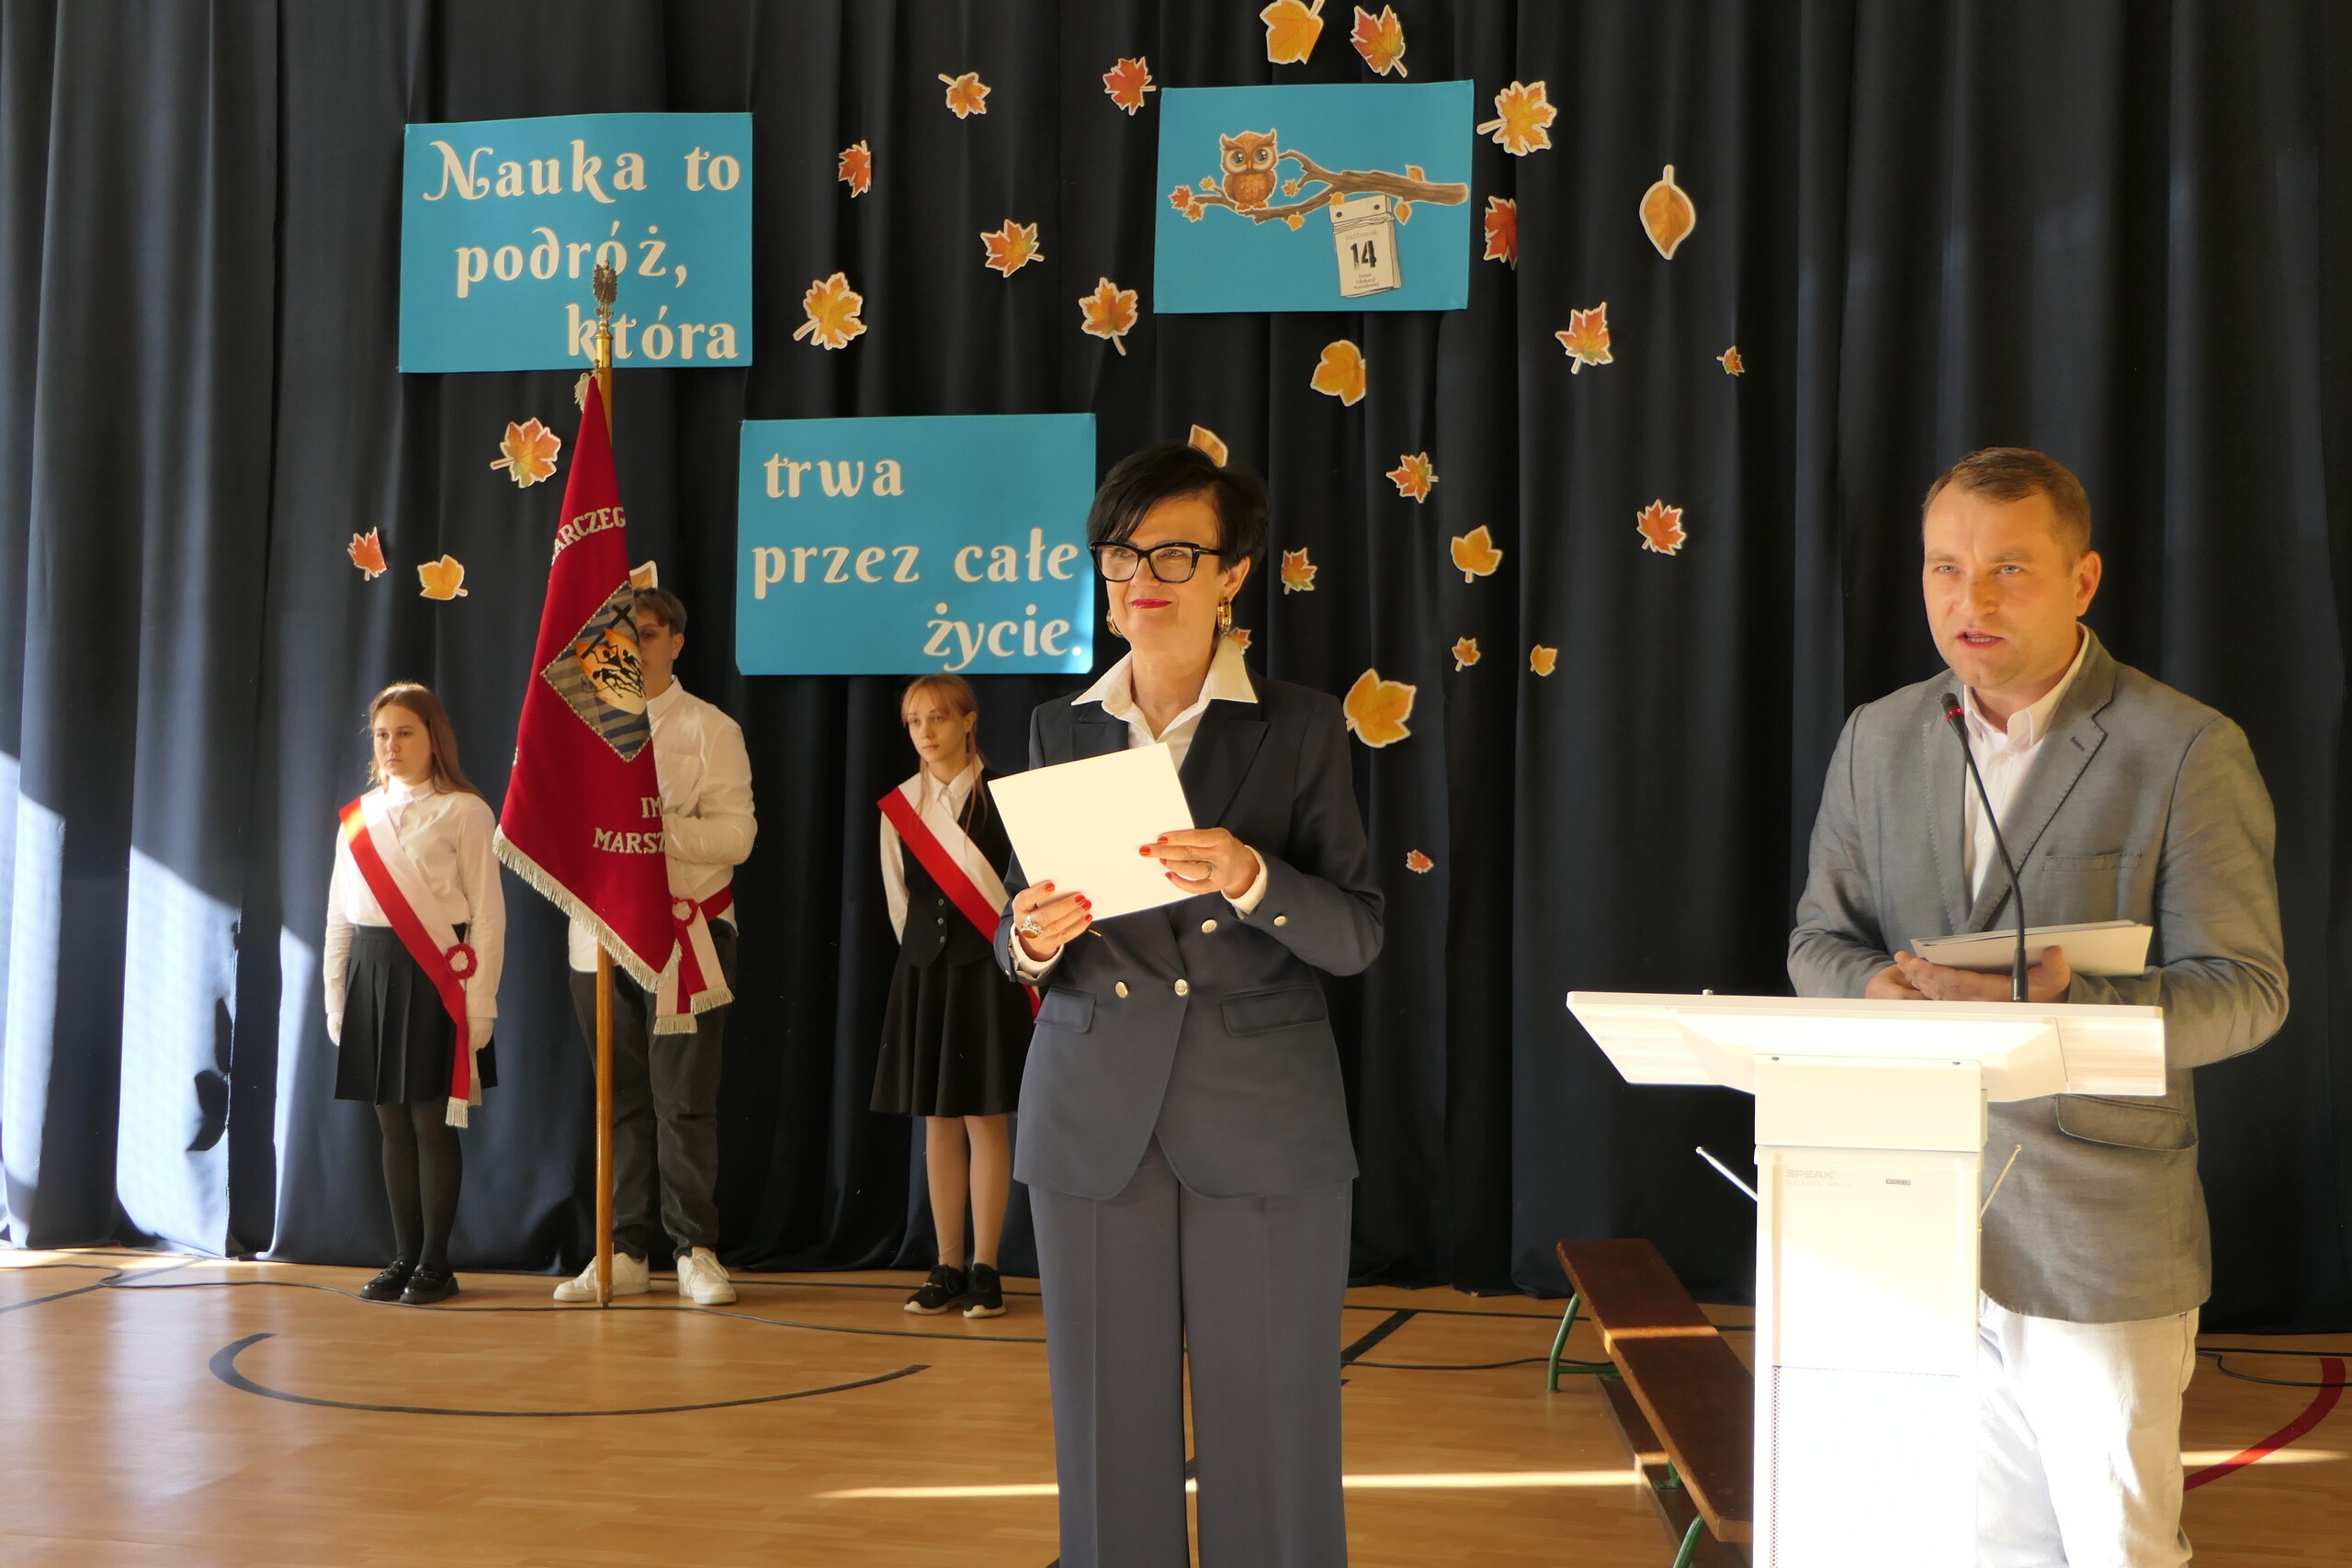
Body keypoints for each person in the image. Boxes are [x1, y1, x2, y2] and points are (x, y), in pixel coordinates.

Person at [1789, 447, 2288, 1567]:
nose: (1969, 598)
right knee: (1977, 1548)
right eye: (1944, 567)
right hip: (1909, 1222)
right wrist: (1877, 990)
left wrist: (2071, 999)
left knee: (2115, 1549)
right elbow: (1817, 941)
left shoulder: (2185, 748)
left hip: (2098, 1240)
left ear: (2082, 579)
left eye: (2008, 568)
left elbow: (2248, 993)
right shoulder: (1876, 736)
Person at [1000, 443, 1383, 1568]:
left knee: (1272, 1430)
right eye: (1120, 554)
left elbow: (1355, 934)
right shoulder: (1057, 726)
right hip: (1091, 1116)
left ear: (1233, 575)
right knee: (1105, 1435)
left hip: (1260, 1119)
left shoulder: (1300, 726)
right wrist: (1028, 940)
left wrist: (1253, 878)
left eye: (1173, 553)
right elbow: (1024, 931)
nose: (1140, 577)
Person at [552, 588, 757, 1306]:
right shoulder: (583, 728)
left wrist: (649, 830)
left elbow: (737, 836)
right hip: (600, 938)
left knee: (683, 1101)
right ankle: (624, 1249)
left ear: (675, 641)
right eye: (623, 636)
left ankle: (695, 1248)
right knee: (619, 1100)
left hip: (686, 934)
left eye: (646, 633)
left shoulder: (710, 727)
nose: (634, 647)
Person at [323, 682, 505, 1307]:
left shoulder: (466, 811)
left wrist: (481, 1002)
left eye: (405, 732)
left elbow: (488, 915)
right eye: (382, 735)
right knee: (391, 1123)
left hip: (437, 975)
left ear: (434, 737)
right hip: (372, 972)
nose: (391, 746)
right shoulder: (358, 817)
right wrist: (335, 995)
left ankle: (435, 1263)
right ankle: (402, 1256)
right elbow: (339, 915)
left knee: (431, 1119)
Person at [873, 674, 1034, 1319]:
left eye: (938, 717)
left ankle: (986, 1267)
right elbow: (898, 902)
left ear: (969, 721)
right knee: (937, 1120)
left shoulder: (1009, 799)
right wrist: (925, 956)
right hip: (927, 975)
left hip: (987, 973)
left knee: (985, 1118)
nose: (926, 732)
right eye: (915, 721)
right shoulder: (900, 808)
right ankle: (946, 1265)